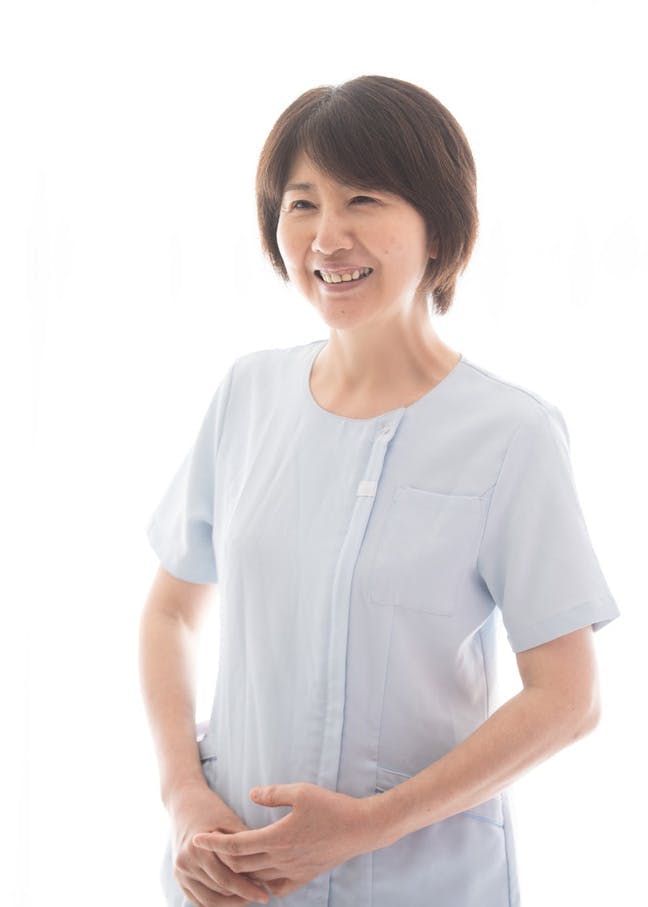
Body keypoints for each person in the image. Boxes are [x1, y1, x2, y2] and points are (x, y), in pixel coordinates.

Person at [140, 74, 621, 907]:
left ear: (440, 224)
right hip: (234, 876)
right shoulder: (248, 395)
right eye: (302, 204)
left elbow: (568, 697)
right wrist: (184, 795)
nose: (327, 237)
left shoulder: (511, 433)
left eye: (362, 199)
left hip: (422, 880)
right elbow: (172, 612)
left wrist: (369, 824)